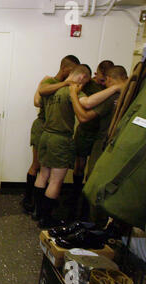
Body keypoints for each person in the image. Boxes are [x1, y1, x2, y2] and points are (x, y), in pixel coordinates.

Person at [22, 55, 80, 215]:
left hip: (53, 129)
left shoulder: (68, 86)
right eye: (72, 70)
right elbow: (37, 101)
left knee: (46, 171)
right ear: (65, 68)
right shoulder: (49, 81)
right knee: (37, 165)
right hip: (43, 126)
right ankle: (28, 200)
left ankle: (39, 205)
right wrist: (65, 84)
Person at [70, 65, 128, 223]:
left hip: (104, 141)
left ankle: (91, 220)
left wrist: (73, 94)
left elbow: (85, 113)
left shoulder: (112, 95)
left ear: (109, 79)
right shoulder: (133, 92)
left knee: (93, 179)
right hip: (122, 143)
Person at [69, 60, 114, 212]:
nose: (103, 82)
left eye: (106, 79)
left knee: (93, 171)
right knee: (79, 165)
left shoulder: (111, 89)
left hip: (100, 133)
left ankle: (86, 205)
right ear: (96, 73)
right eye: (102, 78)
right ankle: (75, 198)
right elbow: (84, 103)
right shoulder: (89, 85)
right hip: (85, 130)